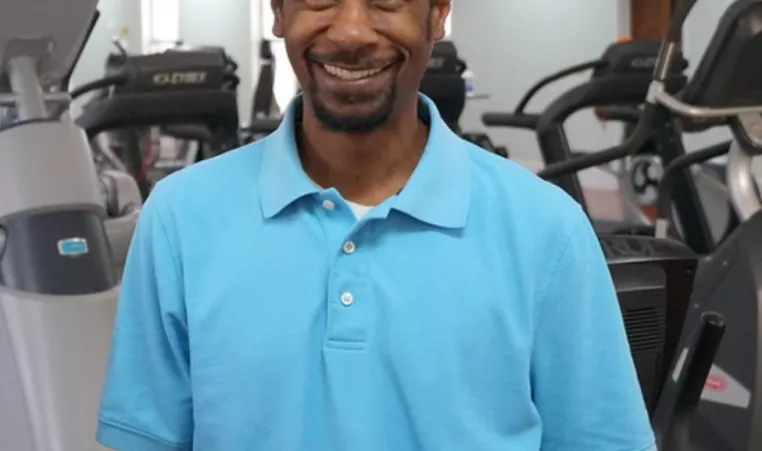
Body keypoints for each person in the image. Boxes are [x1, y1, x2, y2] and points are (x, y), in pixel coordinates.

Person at [96, 0, 655, 450]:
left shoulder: (547, 231)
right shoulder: (179, 219)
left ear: (438, 13)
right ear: (278, 10)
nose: (353, 30)